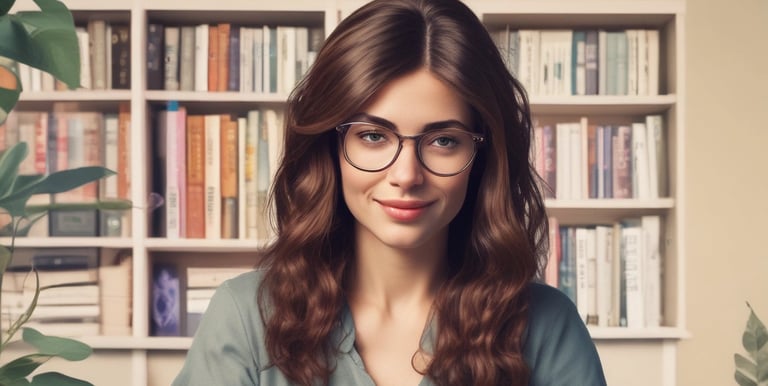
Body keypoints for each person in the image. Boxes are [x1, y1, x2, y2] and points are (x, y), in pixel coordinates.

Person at [172, 0, 607, 385]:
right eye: (374, 136)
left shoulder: (547, 325)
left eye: (443, 141)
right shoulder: (245, 317)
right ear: (330, 147)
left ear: (483, 158)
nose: (406, 175)